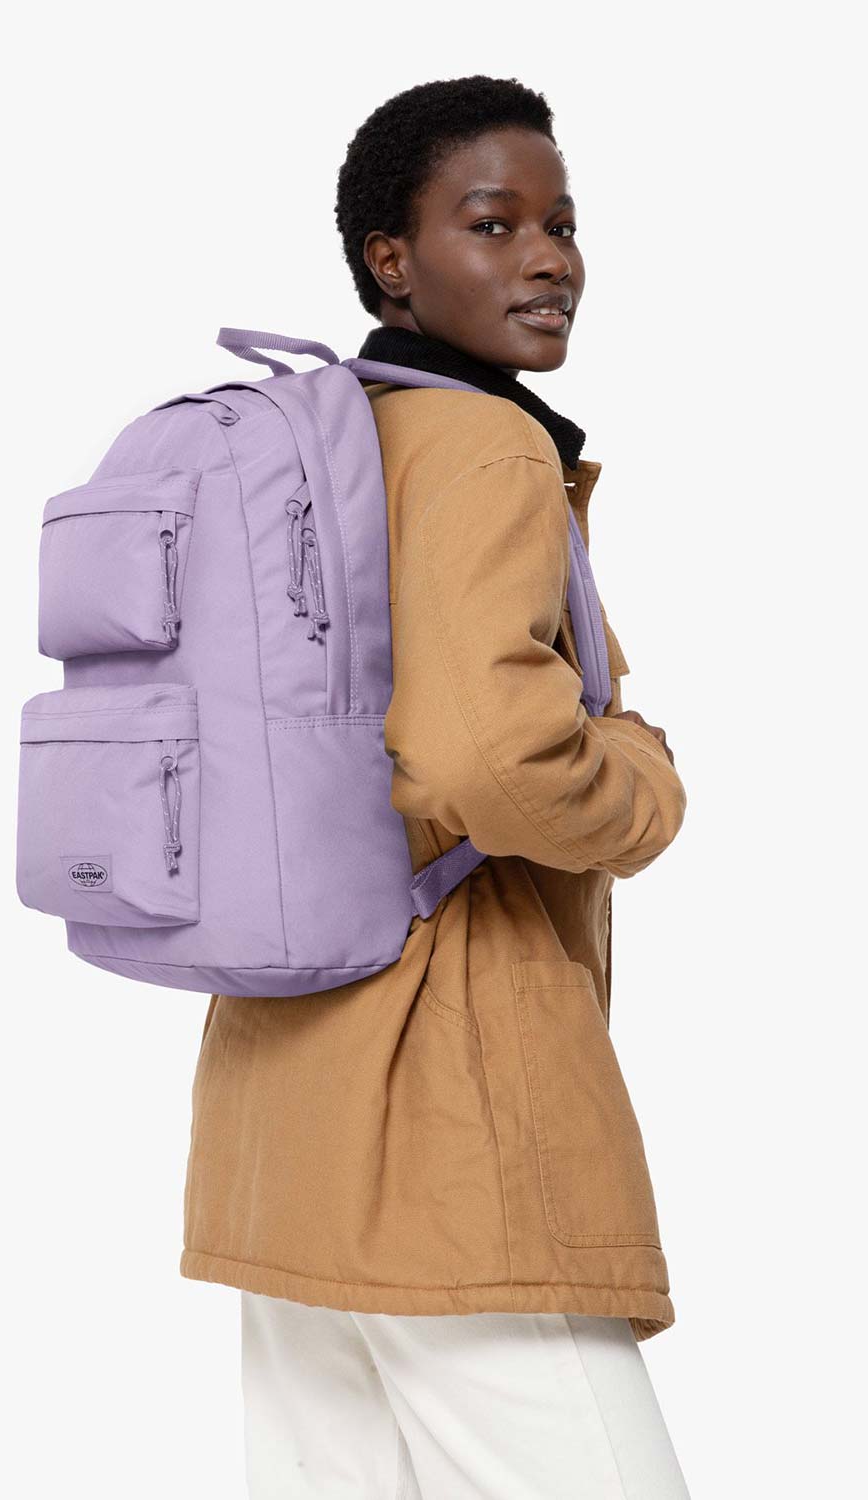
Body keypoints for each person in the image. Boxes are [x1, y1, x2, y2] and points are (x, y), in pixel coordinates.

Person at [182, 75, 691, 1498]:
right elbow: (489, 758)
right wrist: (644, 781)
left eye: (561, 224)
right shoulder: (483, 443)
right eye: (493, 222)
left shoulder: (314, 443)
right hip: (454, 1100)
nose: (548, 258)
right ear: (390, 260)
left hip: (282, 1099)